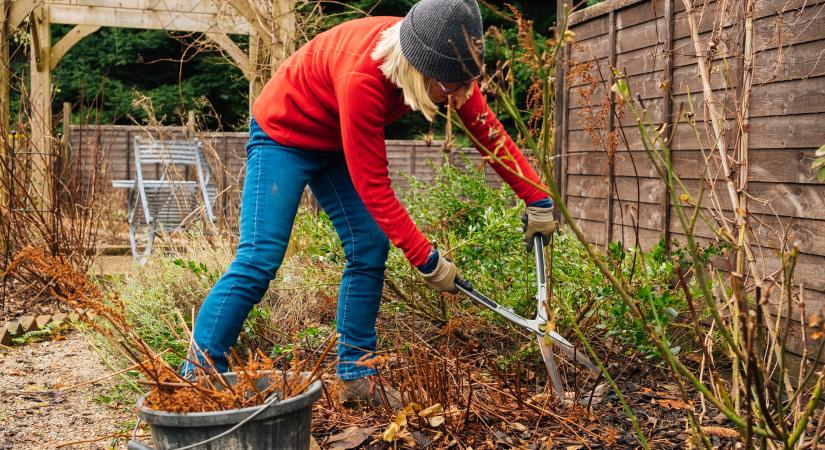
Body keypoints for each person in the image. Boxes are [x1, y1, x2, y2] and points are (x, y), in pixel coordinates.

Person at [185, 0, 556, 407]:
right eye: (451, 87)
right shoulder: (362, 78)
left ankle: (356, 375)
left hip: (334, 138)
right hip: (284, 135)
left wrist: (537, 197)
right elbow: (374, 188)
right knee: (260, 256)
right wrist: (427, 260)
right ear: (420, 70)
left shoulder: (446, 58)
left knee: (369, 246)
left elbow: (489, 132)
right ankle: (199, 377)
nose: (459, 96)